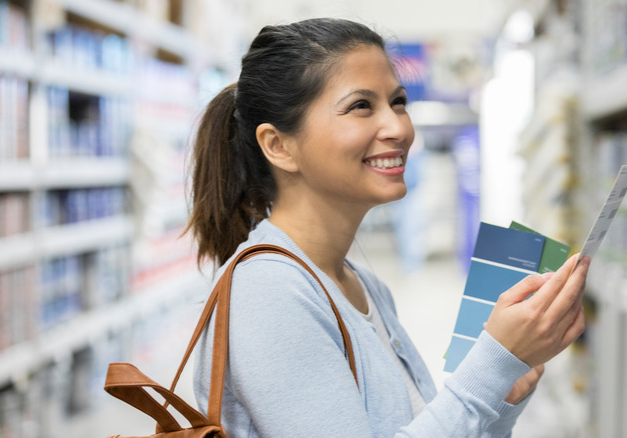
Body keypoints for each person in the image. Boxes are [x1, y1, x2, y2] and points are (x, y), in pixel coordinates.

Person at [186, 17, 589, 437]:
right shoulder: (270, 293)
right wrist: (493, 362)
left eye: (398, 102)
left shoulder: (361, 285)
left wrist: (502, 393)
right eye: (361, 106)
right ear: (279, 145)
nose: (399, 127)